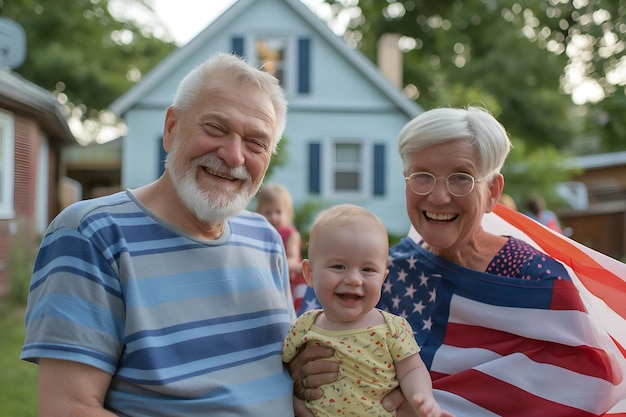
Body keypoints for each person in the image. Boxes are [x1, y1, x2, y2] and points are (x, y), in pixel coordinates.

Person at [291, 106, 622, 417]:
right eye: (422, 175)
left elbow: (589, 376)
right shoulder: (385, 271)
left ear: (492, 192)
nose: (438, 197)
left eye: (461, 177)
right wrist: (300, 369)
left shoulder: (536, 277)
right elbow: (306, 332)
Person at [20, 53, 296, 417]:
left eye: (255, 143)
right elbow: (66, 408)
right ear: (171, 128)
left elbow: (275, 372)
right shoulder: (92, 234)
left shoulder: (265, 238)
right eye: (215, 128)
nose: (233, 156)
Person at [283, 204, 443, 417]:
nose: (353, 279)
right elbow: (282, 370)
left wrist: (423, 398)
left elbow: (412, 369)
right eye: (339, 266)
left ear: (383, 279)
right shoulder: (302, 327)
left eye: (367, 269)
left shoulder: (392, 328)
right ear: (309, 273)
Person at [256, 183, 308, 311]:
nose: (273, 217)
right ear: (259, 212)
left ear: (288, 213)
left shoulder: (290, 234)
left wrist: (269, 264)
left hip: (285, 284)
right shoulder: (258, 233)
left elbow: (293, 261)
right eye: (268, 212)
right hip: (263, 284)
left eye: (278, 212)